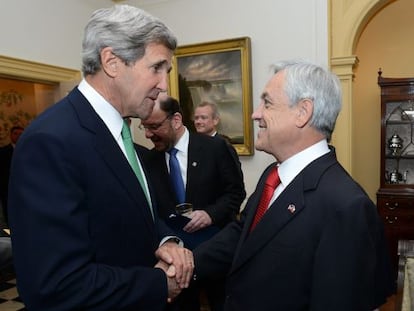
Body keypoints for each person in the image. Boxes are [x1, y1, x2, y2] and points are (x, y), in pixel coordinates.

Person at [8, 5, 194, 311]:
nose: (164, 85)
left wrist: (166, 243)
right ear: (112, 62)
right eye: (157, 68)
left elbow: (129, 217)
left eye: (167, 72)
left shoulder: (119, 132)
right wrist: (159, 284)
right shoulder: (51, 141)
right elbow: (55, 285)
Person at [193, 60, 395, 310]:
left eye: (267, 103)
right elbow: (243, 235)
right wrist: (187, 262)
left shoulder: (346, 207)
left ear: (303, 112)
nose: (256, 114)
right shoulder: (273, 175)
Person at [139, 94, 246, 311]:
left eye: (154, 126)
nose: (149, 134)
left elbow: (236, 193)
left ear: (176, 120)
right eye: (145, 127)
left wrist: (210, 214)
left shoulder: (215, 148)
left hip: (216, 252)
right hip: (177, 261)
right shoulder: (149, 161)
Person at [0, 126, 24, 226]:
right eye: (15, 133)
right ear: (10, 135)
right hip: (7, 188)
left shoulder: (29, 150)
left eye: (21, 134)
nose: (18, 136)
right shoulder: (2, 151)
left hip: (25, 188)